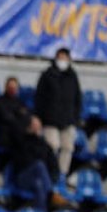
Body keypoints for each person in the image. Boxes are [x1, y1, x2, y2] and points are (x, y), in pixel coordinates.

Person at [34, 48, 82, 176]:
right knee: (52, 146)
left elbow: (78, 99)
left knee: (68, 147)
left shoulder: (73, 76)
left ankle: (62, 174)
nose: (62, 60)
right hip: (50, 120)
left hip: (68, 120)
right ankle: (51, 173)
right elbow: (39, 98)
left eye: (64, 58)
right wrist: (39, 117)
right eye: (60, 57)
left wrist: (75, 119)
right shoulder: (47, 75)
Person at [9, 117, 61, 212]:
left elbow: (53, 163)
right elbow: (24, 162)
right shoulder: (21, 141)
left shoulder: (44, 144)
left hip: (38, 180)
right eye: (34, 125)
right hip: (23, 178)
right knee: (39, 165)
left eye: (38, 126)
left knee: (39, 185)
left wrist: (54, 176)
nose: (37, 128)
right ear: (28, 126)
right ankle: (51, 194)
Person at [0, 77, 31, 158]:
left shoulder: (19, 102)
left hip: (17, 134)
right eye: (10, 87)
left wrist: (17, 115)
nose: (12, 90)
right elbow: (6, 117)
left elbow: (27, 117)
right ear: (6, 87)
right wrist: (18, 115)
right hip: (4, 136)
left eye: (15, 87)